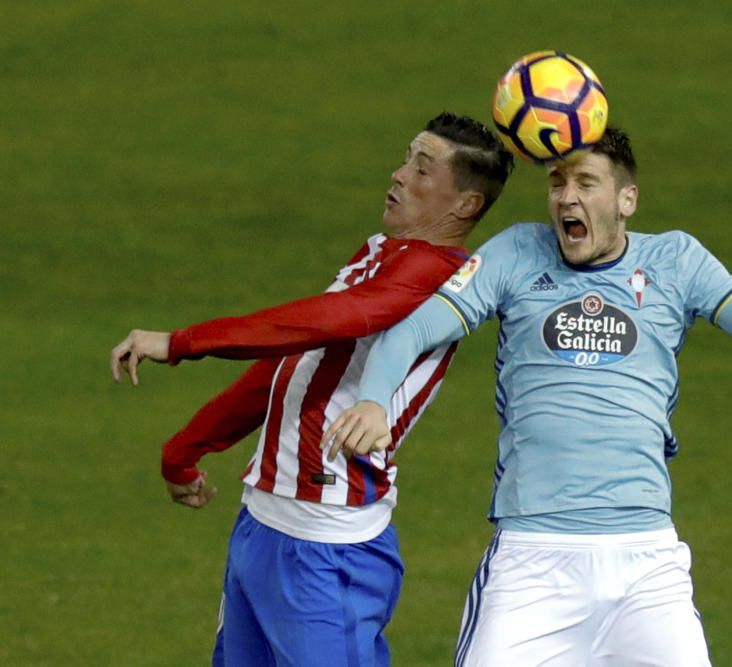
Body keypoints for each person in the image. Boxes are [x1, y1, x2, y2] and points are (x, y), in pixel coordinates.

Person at [321, 126, 732, 667]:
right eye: (556, 183)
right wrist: (375, 399)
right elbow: (415, 329)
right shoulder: (518, 254)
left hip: (646, 564)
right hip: (533, 561)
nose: (566, 198)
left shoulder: (676, 262)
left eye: (585, 183)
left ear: (626, 199)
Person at [109, 111, 514, 667]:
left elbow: (321, 321)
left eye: (422, 170)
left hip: (328, 549)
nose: (398, 175)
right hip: (261, 529)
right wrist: (187, 446)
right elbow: (291, 366)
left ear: (465, 205)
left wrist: (181, 342)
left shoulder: (436, 277)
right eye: (406, 159)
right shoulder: (379, 254)